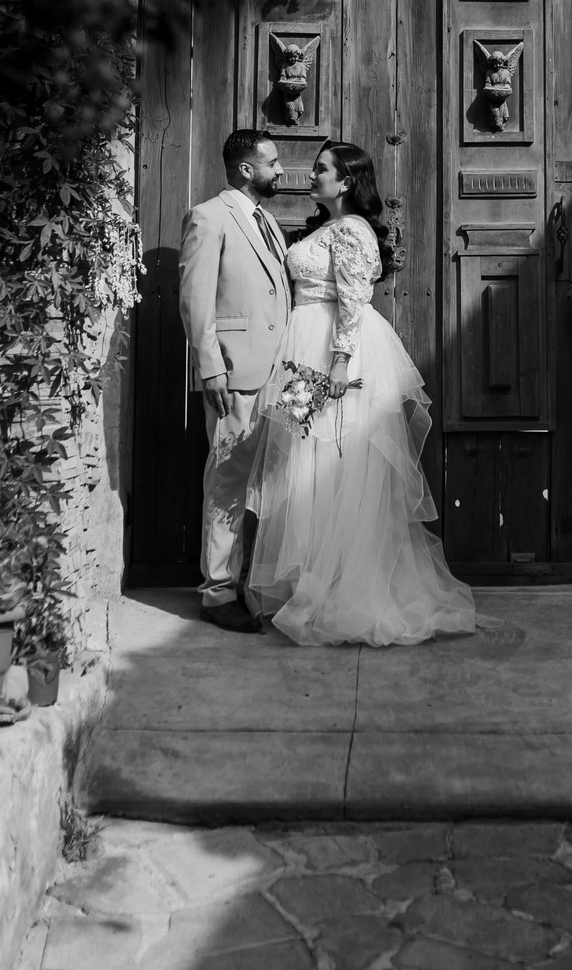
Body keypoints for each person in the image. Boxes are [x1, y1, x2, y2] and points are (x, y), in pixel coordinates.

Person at [245, 141, 478, 646]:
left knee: (336, 465)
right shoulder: (326, 227)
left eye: (322, 170)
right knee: (301, 462)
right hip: (302, 349)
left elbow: (353, 299)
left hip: (330, 353)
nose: (312, 175)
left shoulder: (351, 231)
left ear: (346, 181)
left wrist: (340, 361)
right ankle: (313, 580)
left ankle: (340, 588)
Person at [177, 129, 291, 632]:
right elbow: (194, 301)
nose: (281, 170)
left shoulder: (267, 221)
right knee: (226, 483)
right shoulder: (209, 216)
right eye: (273, 162)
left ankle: (250, 583)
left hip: (276, 375)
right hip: (233, 373)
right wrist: (210, 367)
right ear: (246, 168)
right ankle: (217, 593)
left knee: (264, 485)